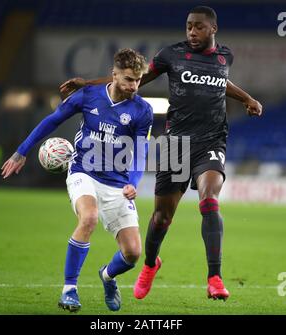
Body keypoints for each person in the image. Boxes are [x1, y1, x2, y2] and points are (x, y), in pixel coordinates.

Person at [59, 6, 263, 301]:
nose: (192, 32)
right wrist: (87, 84)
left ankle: (215, 277)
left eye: (199, 27)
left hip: (211, 141)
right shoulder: (172, 55)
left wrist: (247, 98)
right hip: (175, 144)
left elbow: (221, 81)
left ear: (213, 29)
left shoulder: (224, 57)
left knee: (208, 199)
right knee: (161, 218)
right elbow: (133, 79)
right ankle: (151, 264)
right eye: (189, 26)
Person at [1, 48, 153, 312]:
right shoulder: (89, 96)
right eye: (129, 79)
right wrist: (21, 151)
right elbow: (52, 120)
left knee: (132, 254)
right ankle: (69, 289)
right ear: (114, 75)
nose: (134, 86)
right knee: (89, 218)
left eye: (138, 80)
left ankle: (107, 276)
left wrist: (133, 181)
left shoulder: (143, 110)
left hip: (117, 183)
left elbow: (141, 152)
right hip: (83, 170)